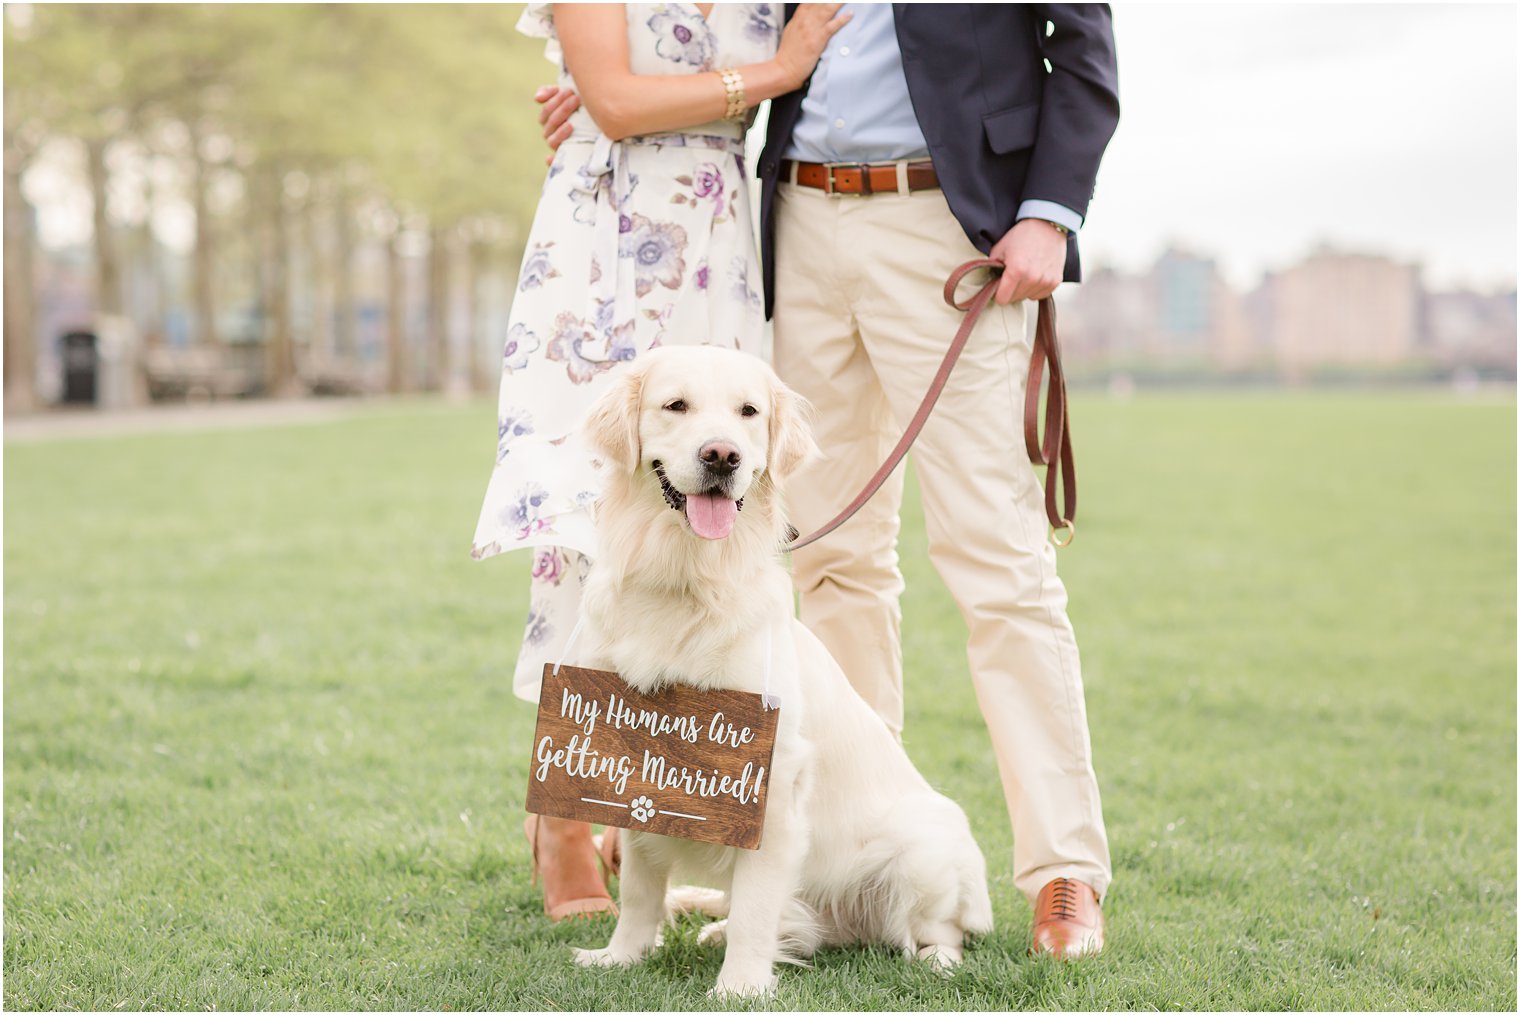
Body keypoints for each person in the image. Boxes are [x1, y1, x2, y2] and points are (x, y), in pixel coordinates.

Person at [539, 3, 1120, 956]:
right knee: (833, 555)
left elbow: (1084, 43)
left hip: (952, 225)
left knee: (998, 561)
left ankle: (1063, 872)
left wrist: (1050, 211)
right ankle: (828, 854)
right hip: (798, 220)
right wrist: (605, 91)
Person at [472, 2, 849, 921]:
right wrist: (778, 68)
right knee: (588, 523)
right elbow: (612, 97)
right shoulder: (777, 41)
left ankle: (648, 810)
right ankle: (562, 818)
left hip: (722, 239)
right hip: (606, 237)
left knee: (701, 535)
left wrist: (682, 97)